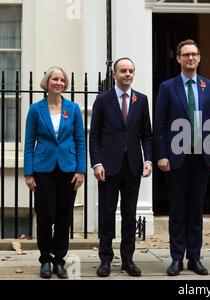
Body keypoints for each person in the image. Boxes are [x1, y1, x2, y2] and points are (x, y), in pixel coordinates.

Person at [154, 39, 210, 276]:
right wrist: (161, 154)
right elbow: (160, 124)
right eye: (185, 54)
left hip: (201, 157)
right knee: (178, 210)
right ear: (178, 58)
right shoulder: (167, 87)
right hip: (176, 157)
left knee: (196, 210)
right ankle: (175, 258)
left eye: (193, 54)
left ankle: (194, 257)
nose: (190, 58)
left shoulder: (208, 86)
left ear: (199, 57)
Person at [89, 57, 153, 277]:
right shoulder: (103, 100)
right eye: (123, 71)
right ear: (114, 75)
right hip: (108, 167)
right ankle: (105, 259)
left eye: (131, 71)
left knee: (129, 214)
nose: (128, 74)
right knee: (107, 214)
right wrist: (96, 162)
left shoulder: (141, 100)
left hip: (133, 166)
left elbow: (147, 135)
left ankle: (128, 260)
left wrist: (148, 160)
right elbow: (94, 135)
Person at [24, 66, 86, 279]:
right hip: (43, 169)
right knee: (45, 215)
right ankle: (45, 260)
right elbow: (29, 141)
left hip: (68, 169)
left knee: (63, 216)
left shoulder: (73, 108)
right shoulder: (35, 109)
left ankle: (59, 260)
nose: (59, 83)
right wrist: (28, 172)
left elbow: (80, 140)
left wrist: (81, 169)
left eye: (62, 80)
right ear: (47, 83)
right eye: (54, 79)